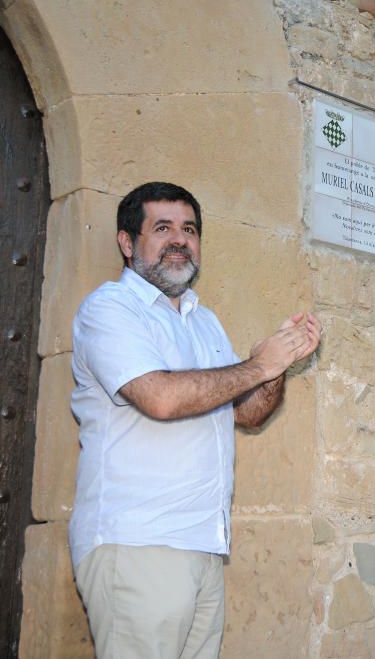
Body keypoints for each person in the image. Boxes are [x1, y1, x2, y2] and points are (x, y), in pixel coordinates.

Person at [69, 182, 321, 659]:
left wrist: (276, 367)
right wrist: (257, 366)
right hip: (138, 543)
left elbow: (247, 412)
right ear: (127, 242)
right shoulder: (108, 309)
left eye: (189, 229)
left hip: (203, 546)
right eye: (162, 228)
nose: (179, 240)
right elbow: (159, 397)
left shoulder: (203, 321)